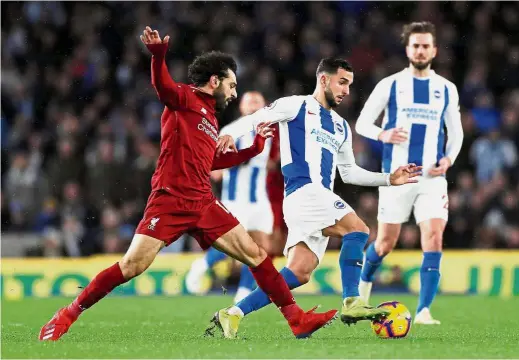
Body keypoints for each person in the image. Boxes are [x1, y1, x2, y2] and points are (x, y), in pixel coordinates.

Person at [39, 27, 338, 341]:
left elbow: (210, 162)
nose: (234, 93)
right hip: (169, 200)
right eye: (232, 85)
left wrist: (253, 149)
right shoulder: (184, 99)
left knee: (257, 254)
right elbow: (162, 87)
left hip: (203, 202)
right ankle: (68, 313)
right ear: (214, 81)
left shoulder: (210, 118)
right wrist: (158, 57)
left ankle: (296, 320)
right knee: (132, 265)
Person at [207, 57, 421, 339]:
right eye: (342, 82)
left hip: (316, 198)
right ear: (323, 79)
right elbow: (255, 118)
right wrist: (230, 135)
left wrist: (388, 179)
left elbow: (349, 173)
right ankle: (352, 301)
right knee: (358, 230)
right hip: (304, 192)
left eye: (350, 85)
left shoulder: (341, 126)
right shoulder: (295, 105)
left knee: (299, 272)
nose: (346, 90)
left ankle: (233, 313)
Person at [355, 21, 464, 325]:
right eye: (415, 45)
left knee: (433, 236)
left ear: (434, 50)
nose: (420, 50)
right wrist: (383, 135)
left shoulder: (446, 88)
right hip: (397, 177)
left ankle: (424, 311)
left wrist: (449, 159)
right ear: (407, 49)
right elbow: (363, 123)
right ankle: (363, 290)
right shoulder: (390, 84)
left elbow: (455, 133)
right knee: (385, 243)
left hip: (432, 178)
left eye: (426, 45)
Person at [185, 91, 279, 303]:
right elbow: (214, 169)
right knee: (236, 247)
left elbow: (267, 163)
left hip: (259, 200)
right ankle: (202, 265)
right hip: (236, 200)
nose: (254, 106)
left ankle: (243, 295)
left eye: (258, 102)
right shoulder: (231, 131)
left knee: (262, 249)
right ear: (242, 108)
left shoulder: (268, 132)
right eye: (250, 102)